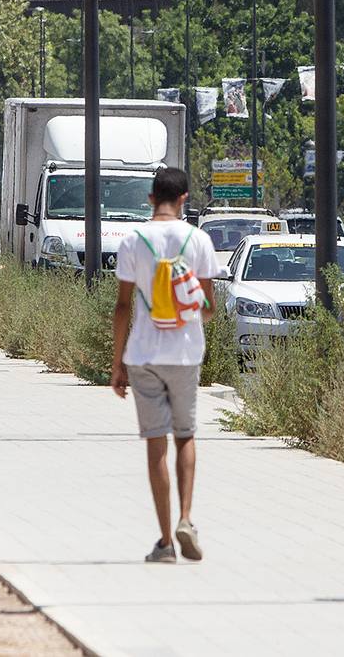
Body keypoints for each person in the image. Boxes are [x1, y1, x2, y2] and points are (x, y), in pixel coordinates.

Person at [110, 167, 219, 564]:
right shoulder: (200, 240)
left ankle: (165, 543)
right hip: (186, 353)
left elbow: (123, 306)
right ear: (185, 199)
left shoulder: (132, 241)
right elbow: (208, 309)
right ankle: (187, 518)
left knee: (156, 441)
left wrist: (117, 363)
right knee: (185, 435)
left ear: (151, 199)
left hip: (143, 354)